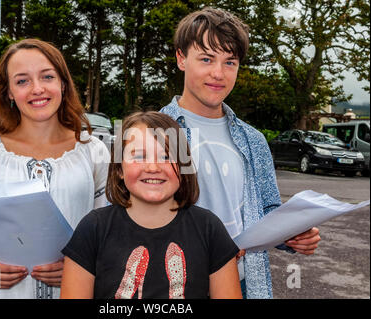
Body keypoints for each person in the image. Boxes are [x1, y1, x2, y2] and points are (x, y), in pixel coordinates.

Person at [160, 8, 321, 299]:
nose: (218, 73)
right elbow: (125, 215)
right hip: (172, 286)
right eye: (207, 59)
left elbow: (267, 211)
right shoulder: (150, 134)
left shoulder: (254, 140)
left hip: (244, 284)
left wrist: (292, 234)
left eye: (229, 62)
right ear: (181, 58)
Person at [0, 39, 110, 299]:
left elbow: (110, 230)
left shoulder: (93, 151)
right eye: (22, 81)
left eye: (47, 76)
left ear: (63, 83)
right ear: (8, 92)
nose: (37, 89)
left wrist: (81, 266)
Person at [60, 111, 242, 299]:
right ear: (119, 168)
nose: (153, 168)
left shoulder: (209, 228)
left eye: (165, 157)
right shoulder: (93, 229)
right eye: (139, 156)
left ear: (182, 165)